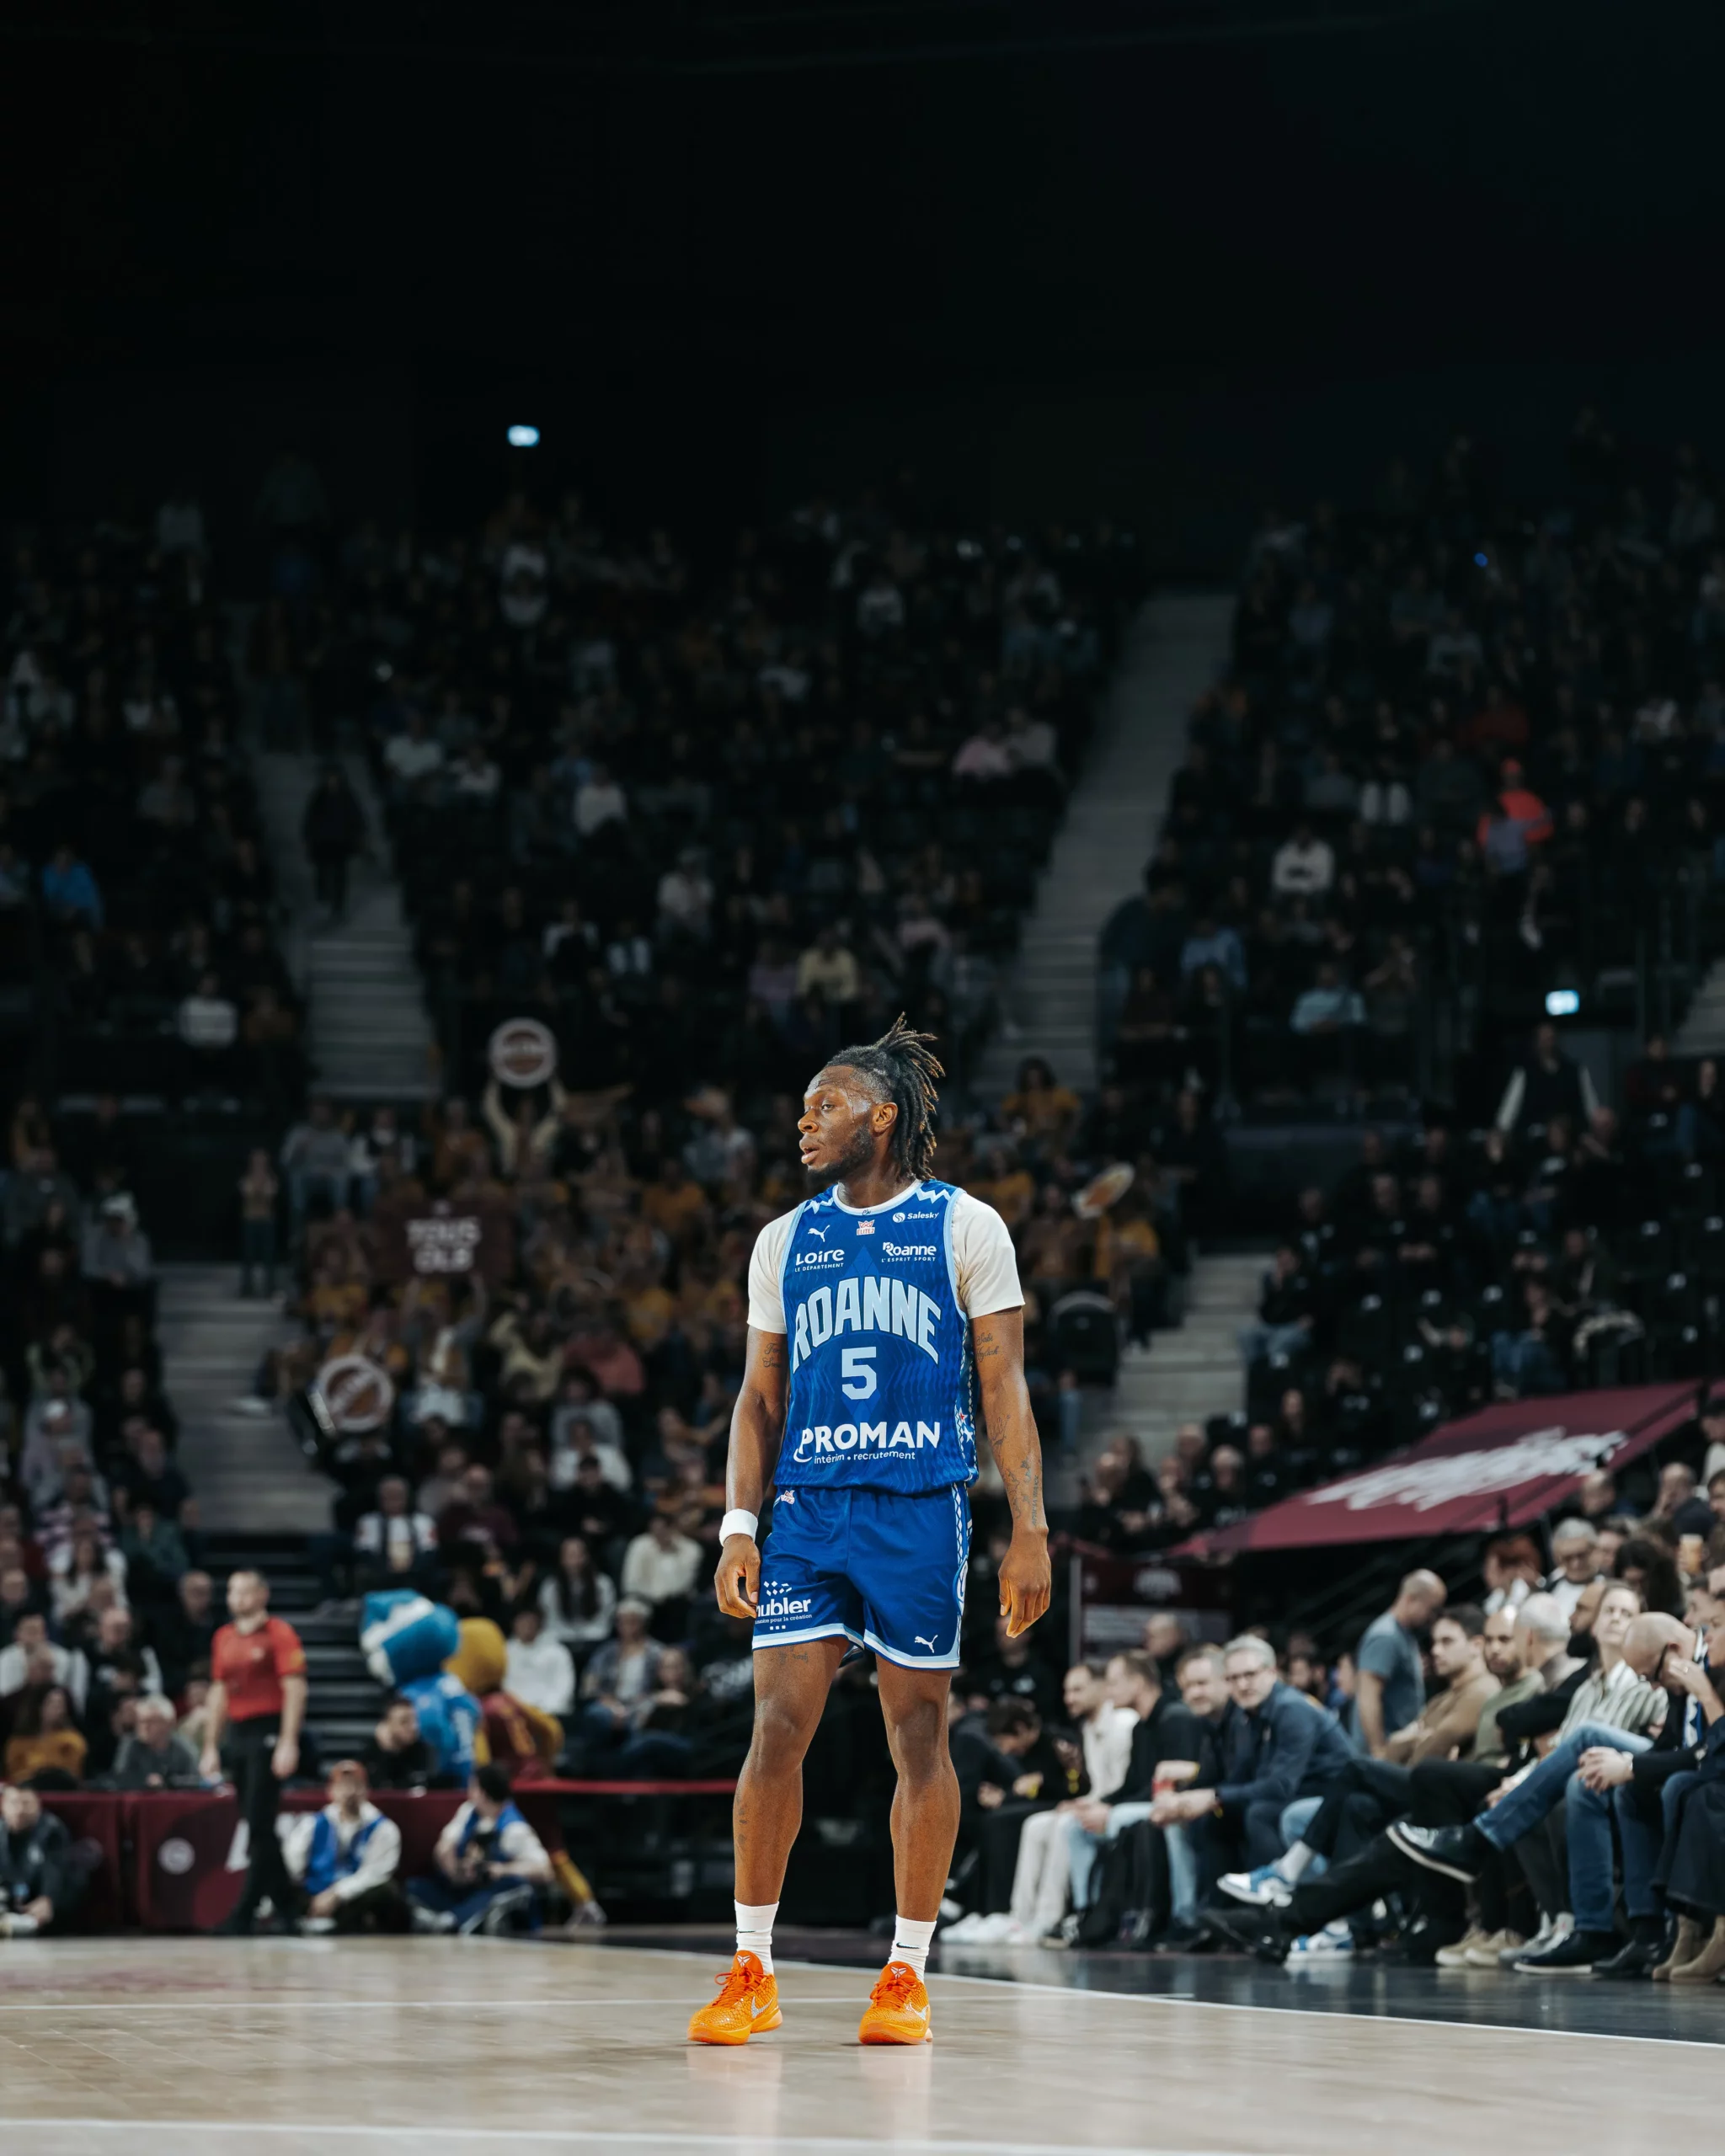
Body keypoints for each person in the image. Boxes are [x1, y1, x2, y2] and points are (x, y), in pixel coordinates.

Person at [689, 1017, 1049, 2047]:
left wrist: (1030, 1527)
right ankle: (751, 1965)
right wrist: (738, 1524)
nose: (804, 1124)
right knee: (774, 1729)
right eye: (802, 1109)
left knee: (918, 1737)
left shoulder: (962, 1225)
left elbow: (1004, 1387)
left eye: (826, 1105)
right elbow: (758, 1398)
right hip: (808, 1510)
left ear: (881, 1117)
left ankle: (905, 1972)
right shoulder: (783, 1239)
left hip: (918, 1506)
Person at [200, 1568, 308, 1935]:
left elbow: (294, 1687)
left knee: (260, 1820)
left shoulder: (279, 1633)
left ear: (263, 1595)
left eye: (246, 1591)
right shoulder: (224, 1637)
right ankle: (288, 1907)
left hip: (269, 1727)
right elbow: (218, 1692)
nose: (238, 1598)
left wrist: (288, 1740)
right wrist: (211, 1745)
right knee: (255, 1822)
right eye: (233, 1591)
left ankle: (244, 1912)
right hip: (240, 1731)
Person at [408, 1763, 554, 1935]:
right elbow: (444, 1846)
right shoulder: (468, 1811)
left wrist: (500, 1870)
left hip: (490, 1892)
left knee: (513, 1887)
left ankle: (454, 1921)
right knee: (415, 1886)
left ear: (483, 1793)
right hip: (464, 1889)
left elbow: (545, 1871)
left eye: (472, 1787)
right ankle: (450, 1918)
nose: (468, 1793)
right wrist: (455, 1871)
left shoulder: (514, 1829)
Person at [278, 1759, 406, 1934]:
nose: (349, 1792)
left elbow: (376, 1872)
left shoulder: (383, 1828)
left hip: (353, 1898)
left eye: (355, 1786)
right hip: (314, 1892)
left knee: (386, 1890)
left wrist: (337, 1894)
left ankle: (346, 1925)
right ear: (331, 1791)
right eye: (343, 1786)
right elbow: (292, 1863)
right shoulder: (312, 1824)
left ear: (366, 1791)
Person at [1350, 1570, 1445, 1755]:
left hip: (1397, 1748)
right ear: (1411, 1599)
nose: (1432, 1617)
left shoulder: (1403, 1634)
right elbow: (1368, 1696)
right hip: (1382, 1751)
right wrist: (1378, 1750)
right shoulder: (1386, 1636)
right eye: (1432, 1609)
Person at [0, 1782, 79, 1937]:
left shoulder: (51, 1830)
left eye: (26, 1804)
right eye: (14, 1803)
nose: (20, 1810)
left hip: (39, 1903)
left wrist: (48, 1897)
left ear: (38, 1805)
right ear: (3, 1806)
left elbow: (55, 1868)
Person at [109, 1694, 200, 1788]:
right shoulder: (131, 1745)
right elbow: (120, 1777)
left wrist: (167, 1782)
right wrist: (144, 1781)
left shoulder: (183, 1748)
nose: (144, 1727)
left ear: (168, 1723)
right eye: (140, 1721)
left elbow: (195, 1780)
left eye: (150, 1721)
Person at [362, 1694, 436, 1791]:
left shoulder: (425, 1752)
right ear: (387, 1726)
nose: (414, 1727)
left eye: (415, 1720)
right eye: (404, 1722)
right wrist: (387, 1751)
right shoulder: (370, 1755)